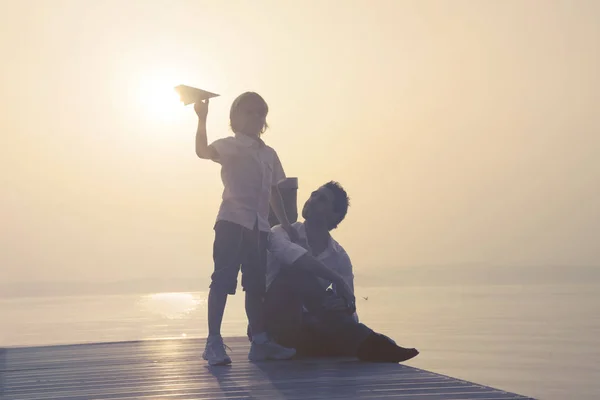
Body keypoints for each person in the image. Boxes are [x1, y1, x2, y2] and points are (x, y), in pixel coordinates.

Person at [194, 92, 298, 365]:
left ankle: (260, 342)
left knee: (255, 286)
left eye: (259, 113)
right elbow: (203, 152)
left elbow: (274, 192)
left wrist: (286, 225)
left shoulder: (269, 154)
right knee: (223, 281)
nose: (255, 118)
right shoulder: (231, 146)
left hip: (259, 226)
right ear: (235, 118)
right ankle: (213, 342)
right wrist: (202, 119)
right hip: (232, 222)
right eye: (249, 112)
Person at [264, 181, 419, 362]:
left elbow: (349, 305)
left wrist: (342, 304)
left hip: (311, 328)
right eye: (313, 194)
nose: (312, 200)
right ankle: (375, 343)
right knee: (297, 272)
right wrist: (336, 279)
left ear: (334, 214)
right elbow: (294, 257)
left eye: (321, 199)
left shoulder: (339, 257)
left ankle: (369, 343)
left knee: (333, 308)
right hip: (273, 327)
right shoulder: (280, 232)